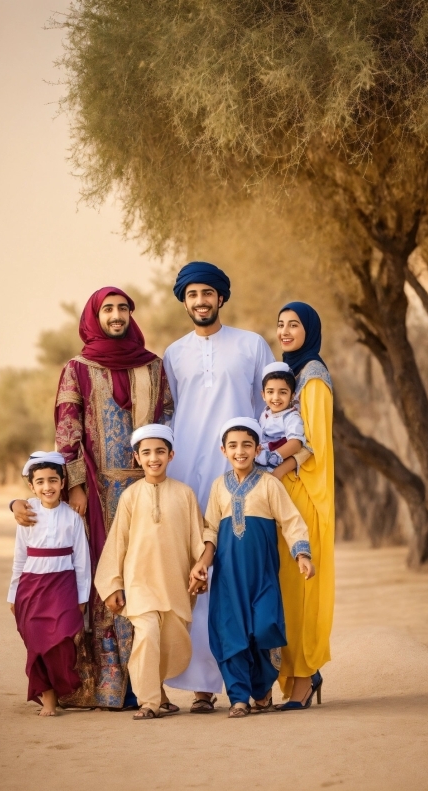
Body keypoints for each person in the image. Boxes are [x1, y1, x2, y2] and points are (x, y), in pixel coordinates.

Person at [11, 288, 173, 709]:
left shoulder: (153, 367)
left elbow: (167, 416)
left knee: (145, 574)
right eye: (108, 309)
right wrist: (76, 485)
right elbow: (67, 430)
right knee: (104, 577)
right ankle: (105, 684)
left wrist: (159, 473)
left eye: (123, 308)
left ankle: (146, 685)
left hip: (145, 488)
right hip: (97, 494)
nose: (116, 315)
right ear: (95, 317)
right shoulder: (76, 369)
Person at [162, 261, 277, 712]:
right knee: (198, 575)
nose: (200, 301)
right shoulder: (174, 354)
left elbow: (269, 409)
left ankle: (248, 683)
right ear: (184, 301)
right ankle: (203, 686)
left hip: (241, 477)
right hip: (190, 474)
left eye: (208, 293)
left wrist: (265, 467)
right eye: (192, 295)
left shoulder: (251, 346)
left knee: (240, 580)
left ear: (221, 298)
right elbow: (172, 416)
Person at [189, 418, 314, 718]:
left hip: (262, 577)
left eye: (247, 445)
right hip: (228, 580)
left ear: (258, 449)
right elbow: (210, 532)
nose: (240, 451)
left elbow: (291, 521)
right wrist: (203, 564)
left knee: (264, 628)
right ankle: (238, 699)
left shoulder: (270, 484)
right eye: (233, 445)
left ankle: (261, 690)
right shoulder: (219, 487)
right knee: (231, 635)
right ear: (223, 450)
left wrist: (302, 555)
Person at [96, 424, 205, 720]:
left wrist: (200, 568)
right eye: (146, 453)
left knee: (169, 639)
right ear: (137, 458)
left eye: (159, 451)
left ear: (171, 455)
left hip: (174, 583)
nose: (153, 458)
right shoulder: (131, 496)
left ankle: (160, 695)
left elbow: (199, 537)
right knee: (146, 635)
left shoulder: (184, 494)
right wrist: (113, 584)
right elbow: (118, 541)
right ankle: (149, 702)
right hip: (140, 582)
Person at [272, 301, 334, 710]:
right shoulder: (288, 374)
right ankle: (298, 672)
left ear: (308, 330)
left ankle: (304, 676)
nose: (285, 331)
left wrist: (281, 467)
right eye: (280, 324)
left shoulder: (312, 377)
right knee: (284, 590)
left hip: (303, 495)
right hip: (284, 495)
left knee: (301, 591)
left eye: (294, 324)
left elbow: (316, 442)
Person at [8, 451, 91, 717]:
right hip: (31, 588)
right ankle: (49, 701)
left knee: (62, 643)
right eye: (41, 481)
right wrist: (13, 594)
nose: (47, 487)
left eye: (53, 480)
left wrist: (82, 597)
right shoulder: (28, 514)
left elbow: (82, 559)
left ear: (63, 482)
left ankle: (63, 688)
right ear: (32, 486)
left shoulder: (73, 516)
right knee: (36, 645)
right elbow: (19, 557)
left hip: (64, 586)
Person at [255, 362, 305, 472]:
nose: (276, 397)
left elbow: (296, 443)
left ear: (292, 395)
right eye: (270, 392)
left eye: (282, 392)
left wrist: (273, 457)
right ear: (263, 395)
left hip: (275, 465)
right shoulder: (265, 412)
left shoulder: (291, 417)